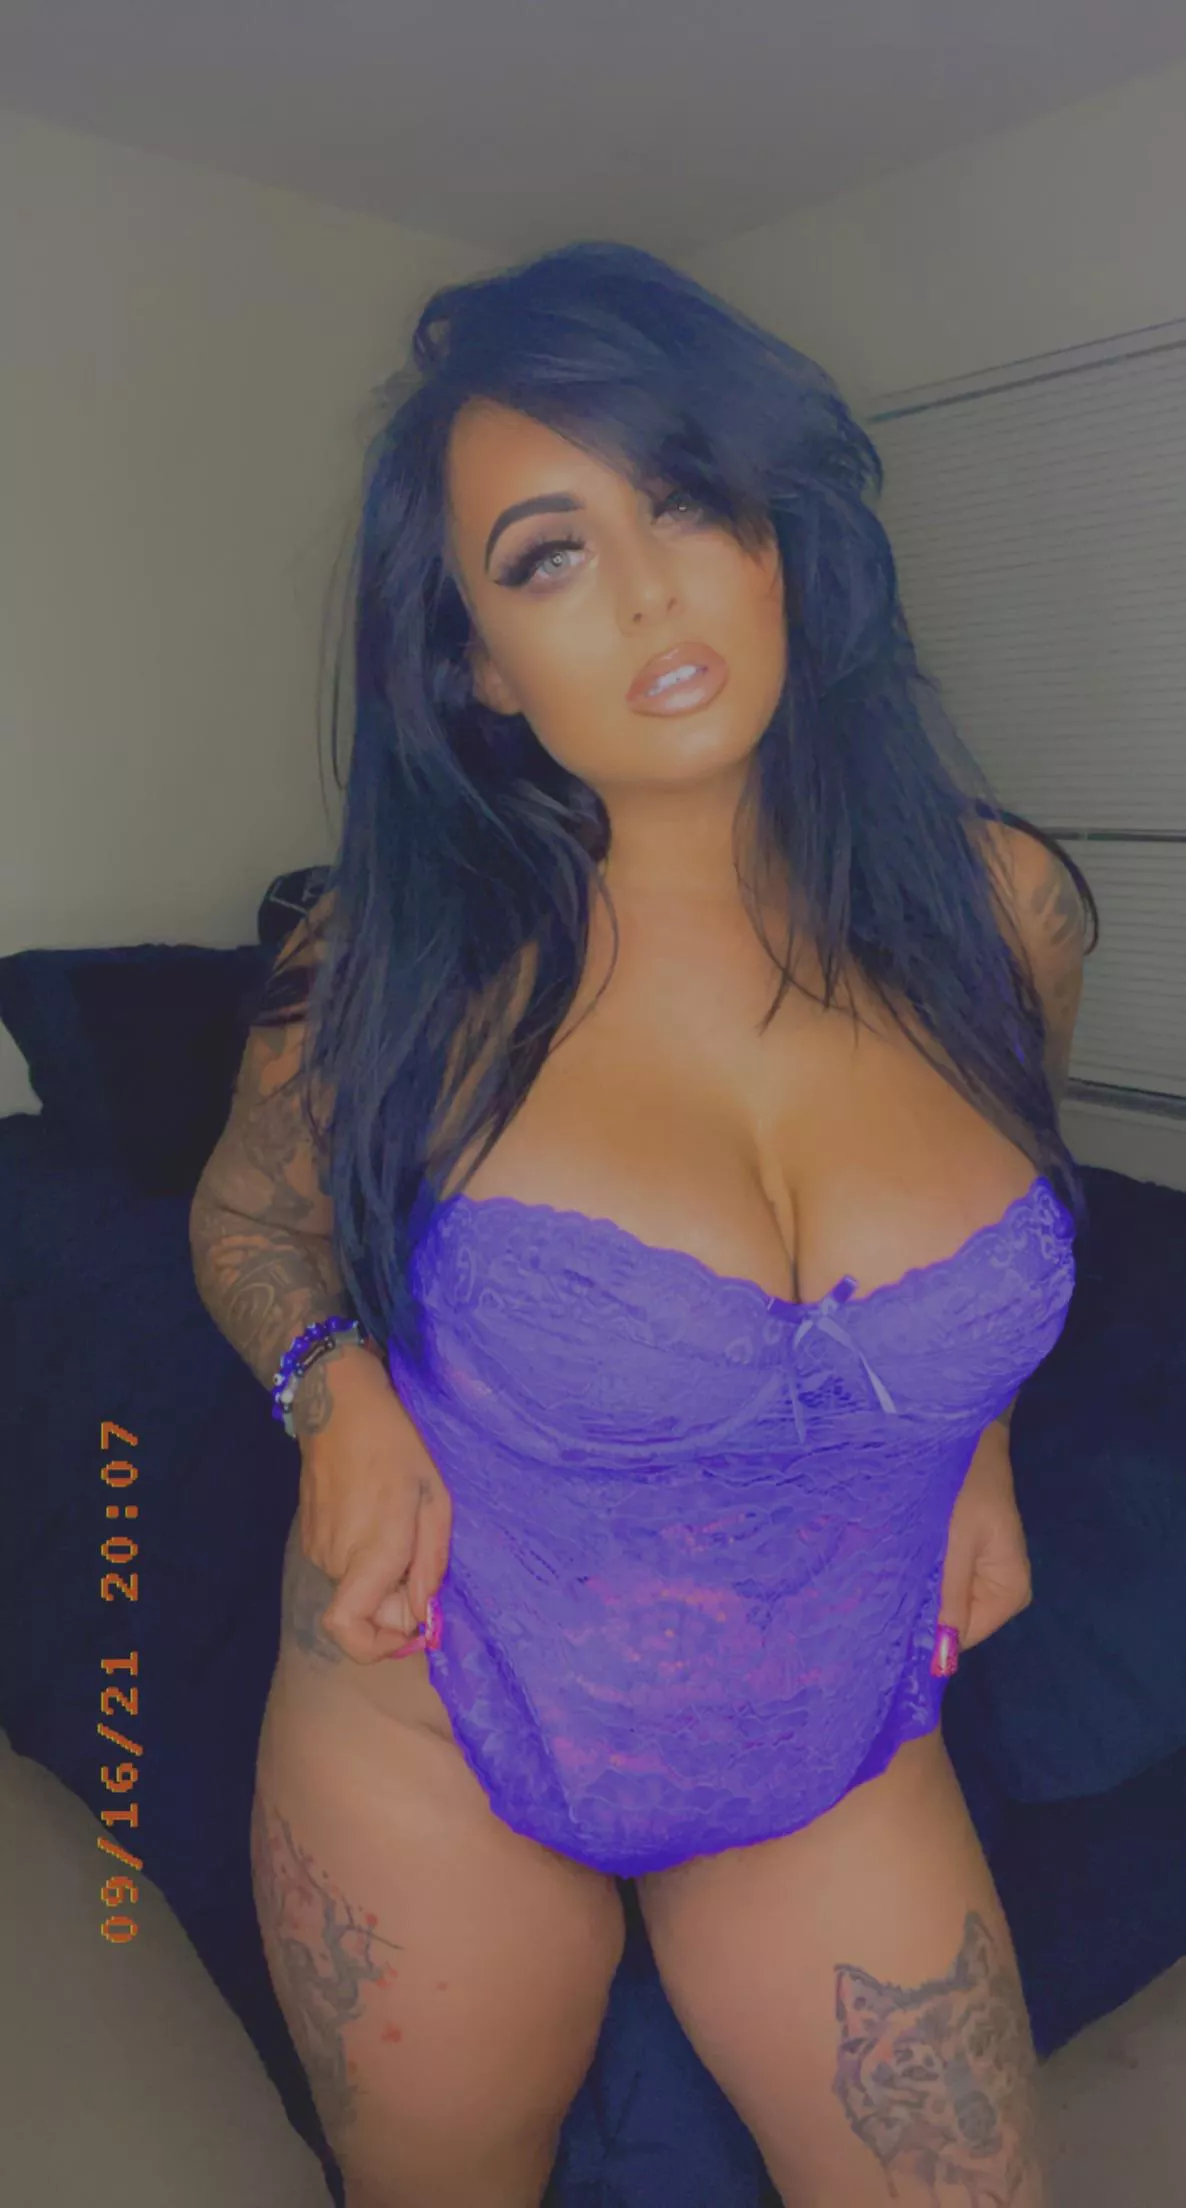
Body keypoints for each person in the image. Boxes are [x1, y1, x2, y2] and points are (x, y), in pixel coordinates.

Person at [189, 240, 1097, 2208]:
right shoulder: (387, 969)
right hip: (437, 1720)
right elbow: (245, 1221)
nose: (646, 588)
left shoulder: (999, 916)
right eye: (547, 556)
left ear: (774, 538)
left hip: (837, 1731)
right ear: (474, 661)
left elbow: (1005, 1205)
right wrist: (330, 1388)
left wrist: (980, 1446)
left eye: (681, 501)